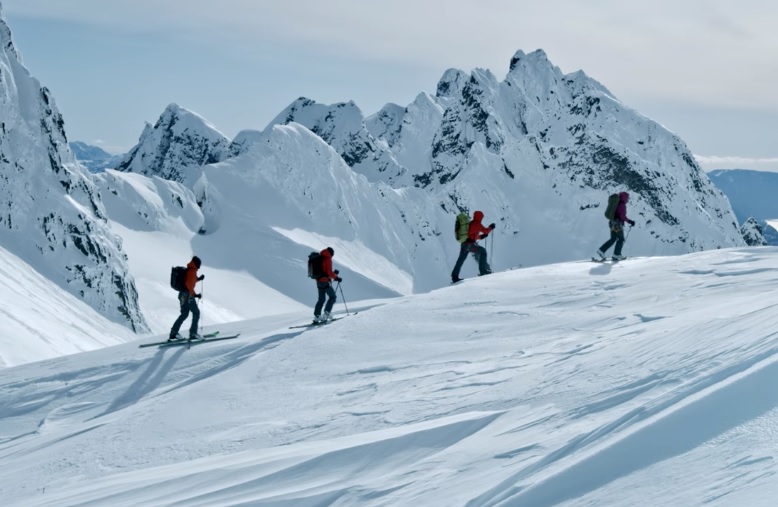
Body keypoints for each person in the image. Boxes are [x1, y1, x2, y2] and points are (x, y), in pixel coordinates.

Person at [451, 211, 495, 283]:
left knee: (460, 260)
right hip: (470, 245)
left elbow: (472, 235)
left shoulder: (471, 223)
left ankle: (454, 276)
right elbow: (486, 231)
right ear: (480, 217)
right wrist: (491, 227)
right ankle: (483, 271)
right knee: (483, 252)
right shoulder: (477, 224)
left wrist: (481, 237)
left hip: (464, 244)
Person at [169, 255, 205, 341]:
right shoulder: (192, 271)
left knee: (184, 314)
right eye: (199, 264)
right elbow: (189, 284)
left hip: (182, 295)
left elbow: (190, 280)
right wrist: (195, 295)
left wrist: (199, 279)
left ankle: (174, 332)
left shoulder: (189, 270)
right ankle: (193, 333)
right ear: (196, 264)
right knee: (196, 312)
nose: (199, 266)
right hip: (188, 296)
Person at [596, 191, 636, 261]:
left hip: (612, 223)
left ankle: (601, 250)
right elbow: (622, 216)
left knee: (613, 238)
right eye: (627, 198)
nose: (628, 199)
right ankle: (617, 254)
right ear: (624, 198)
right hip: (617, 224)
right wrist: (630, 221)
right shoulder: (622, 205)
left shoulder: (617, 203)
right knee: (621, 239)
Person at [313, 247, 342, 323]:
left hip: (318, 281)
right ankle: (327, 313)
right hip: (325, 282)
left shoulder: (321, 257)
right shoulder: (328, 259)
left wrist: (334, 273)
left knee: (321, 299)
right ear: (331, 253)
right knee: (333, 296)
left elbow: (324, 271)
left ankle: (317, 316)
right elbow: (328, 272)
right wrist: (336, 278)